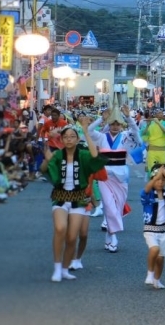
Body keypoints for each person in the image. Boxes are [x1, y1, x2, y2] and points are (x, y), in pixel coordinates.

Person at [40, 119, 106, 282]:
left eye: (72, 136)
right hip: (60, 197)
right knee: (60, 228)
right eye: (66, 137)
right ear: (61, 140)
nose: (69, 139)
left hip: (79, 199)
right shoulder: (57, 155)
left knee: (72, 237)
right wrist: (47, 160)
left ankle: (65, 269)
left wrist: (85, 131)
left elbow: (95, 157)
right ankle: (56, 268)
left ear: (77, 139)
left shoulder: (83, 155)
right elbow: (43, 170)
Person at [87, 103, 142, 252]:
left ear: (121, 125)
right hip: (105, 177)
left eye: (118, 124)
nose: (115, 126)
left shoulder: (125, 137)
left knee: (117, 208)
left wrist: (129, 117)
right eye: (113, 123)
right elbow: (89, 131)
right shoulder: (101, 137)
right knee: (109, 207)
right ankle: (115, 238)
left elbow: (136, 133)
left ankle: (110, 236)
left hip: (121, 177)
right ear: (109, 124)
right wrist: (101, 119)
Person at [142, 110, 165, 175]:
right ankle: (152, 183)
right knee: (152, 170)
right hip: (152, 150)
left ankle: (160, 184)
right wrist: (147, 125)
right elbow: (143, 135)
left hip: (162, 150)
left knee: (162, 170)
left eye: (161, 113)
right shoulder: (150, 123)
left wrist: (158, 123)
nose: (159, 114)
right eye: (157, 113)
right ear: (154, 115)